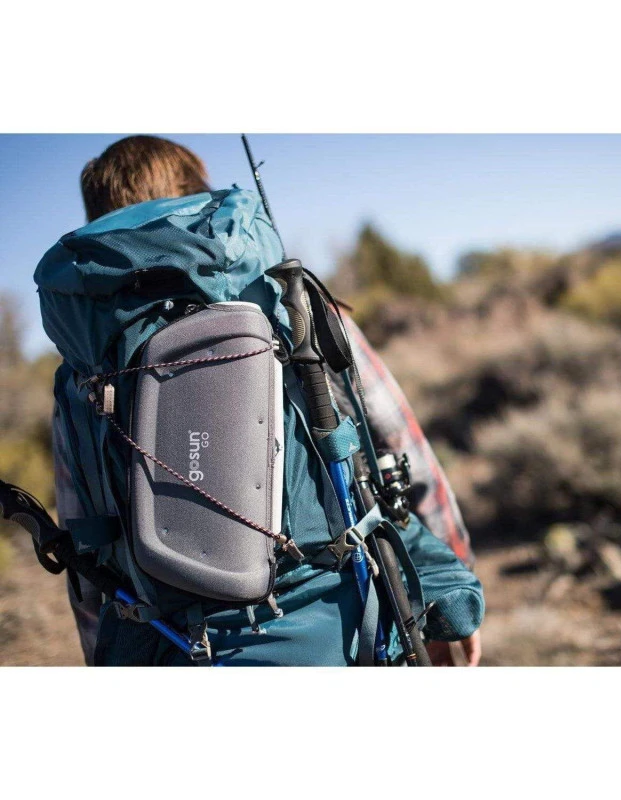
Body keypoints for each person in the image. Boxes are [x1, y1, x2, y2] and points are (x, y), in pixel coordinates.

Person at [53, 135, 481, 667]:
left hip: (163, 646)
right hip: (333, 632)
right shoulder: (294, 307)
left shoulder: (81, 367)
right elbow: (403, 452)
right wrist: (449, 585)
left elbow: (85, 544)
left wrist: (103, 653)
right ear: (197, 194)